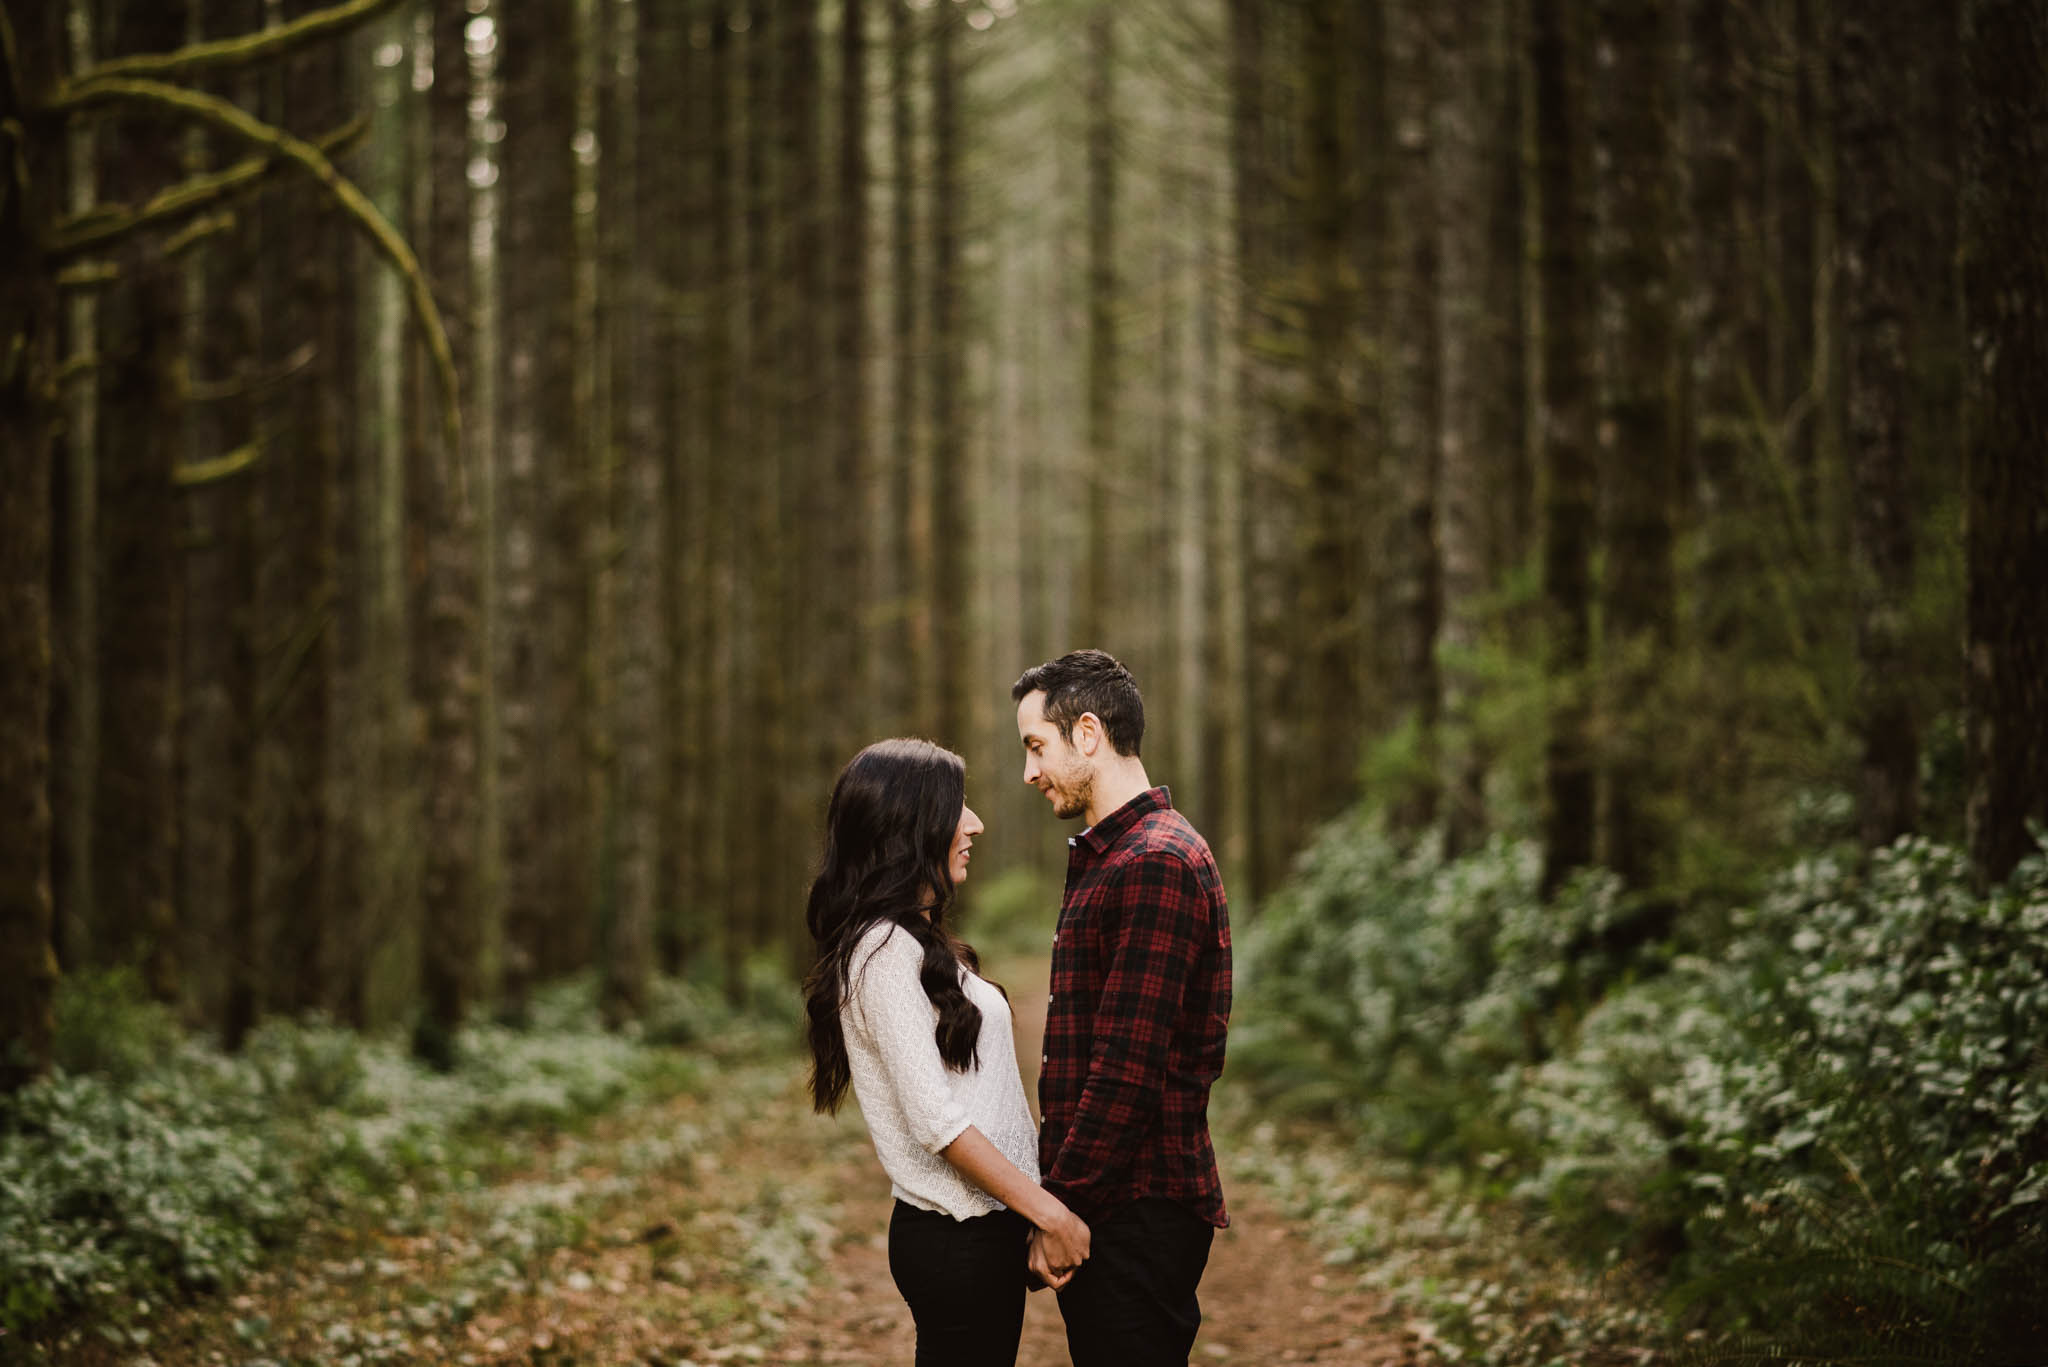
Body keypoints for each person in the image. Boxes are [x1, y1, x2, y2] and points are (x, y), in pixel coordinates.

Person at [802, 738, 1092, 1366]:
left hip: (981, 1232)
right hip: (953, 1237)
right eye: (957, 807)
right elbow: (936, 1120)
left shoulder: (912, 941)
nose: (976, 823)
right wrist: (1050, 1214)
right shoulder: (880, 954)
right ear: (910, 827)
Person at [1011, 650, 1232, 1367]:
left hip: (1135, 1207)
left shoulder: (1154, 862)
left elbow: (1127, 1067)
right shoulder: (1120, 856)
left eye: (1035, 746)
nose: (1029, 772)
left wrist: (1059, 1207)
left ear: (1087, 733)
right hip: (1120, 1202)